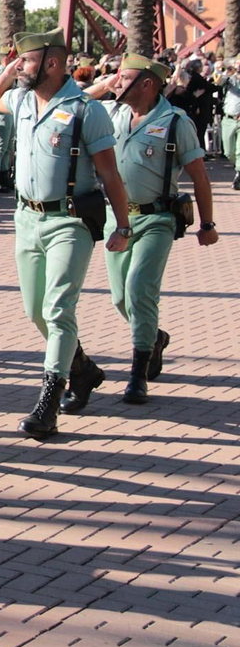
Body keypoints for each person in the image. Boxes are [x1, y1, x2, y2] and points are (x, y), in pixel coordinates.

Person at [0, 29, 132, 440]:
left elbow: (109, 172)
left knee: (57, 308)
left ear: (52, 63)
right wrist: (8, 68)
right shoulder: (21, 99)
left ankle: (49, 401)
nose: (19, 68)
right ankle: (83, 369)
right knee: (36, 310)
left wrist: (122, 226)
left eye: (26, 61)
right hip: (26, 219)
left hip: (69, 220)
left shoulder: (87, 110)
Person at [85, 55, 219, 402]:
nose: (116, 81)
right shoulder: (112, 114)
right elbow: (80, 101)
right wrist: (107, 84)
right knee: (119, 298)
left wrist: (207, 224)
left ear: (147, 84)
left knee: (139, 288)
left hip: (157, 219)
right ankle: (154, 337)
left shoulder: (176, 122)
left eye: (124, 77)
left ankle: (138, 372)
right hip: (118, 219)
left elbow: (200, 176)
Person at [222, 58, 240, 188]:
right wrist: (228, 72)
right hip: (228, 119)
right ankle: (238, 167)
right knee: (229, 151)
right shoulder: (230, 79)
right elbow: (218, 81)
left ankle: (239, 173)